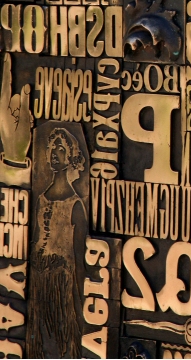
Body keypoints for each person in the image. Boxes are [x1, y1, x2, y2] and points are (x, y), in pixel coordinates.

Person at [25, 127, 87, 359]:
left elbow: (79, 259)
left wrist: (78, 302)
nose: (54, 153)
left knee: (62, 343)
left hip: (62, 286)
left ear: (71, 157)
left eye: (61, 149)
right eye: (52, 148)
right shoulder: (41, 199)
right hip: (39, 283)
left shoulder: (75, 205)